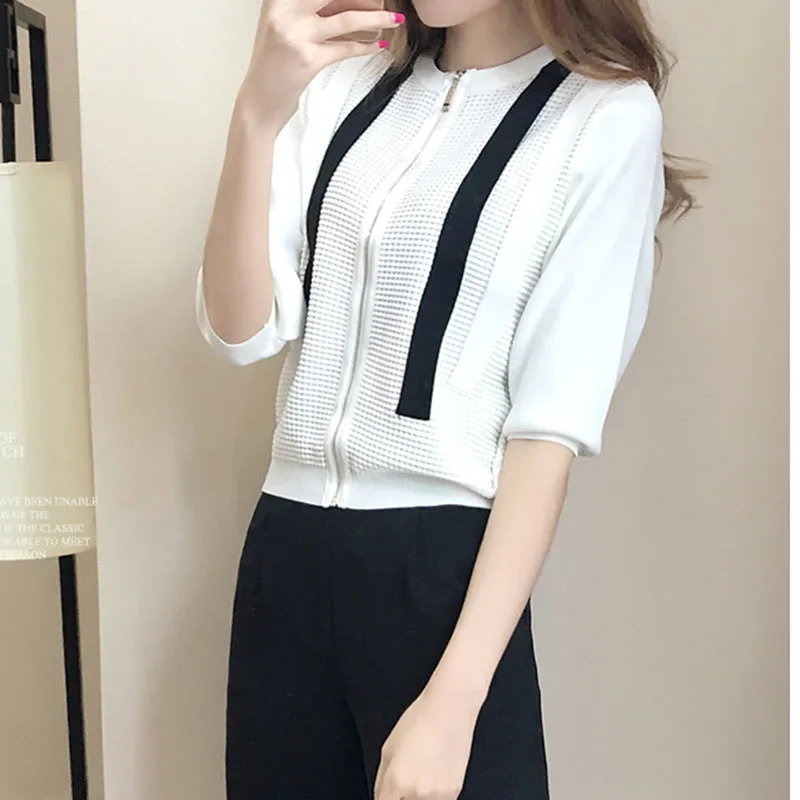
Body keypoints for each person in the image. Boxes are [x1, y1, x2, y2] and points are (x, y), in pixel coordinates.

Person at [196, 1, 696, 797]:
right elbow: (242, 332)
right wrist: (257, 113)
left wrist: (455, 703)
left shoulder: (602, 116)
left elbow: (546, 438)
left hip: (443, 577)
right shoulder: (345, 87)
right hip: (284, 555)